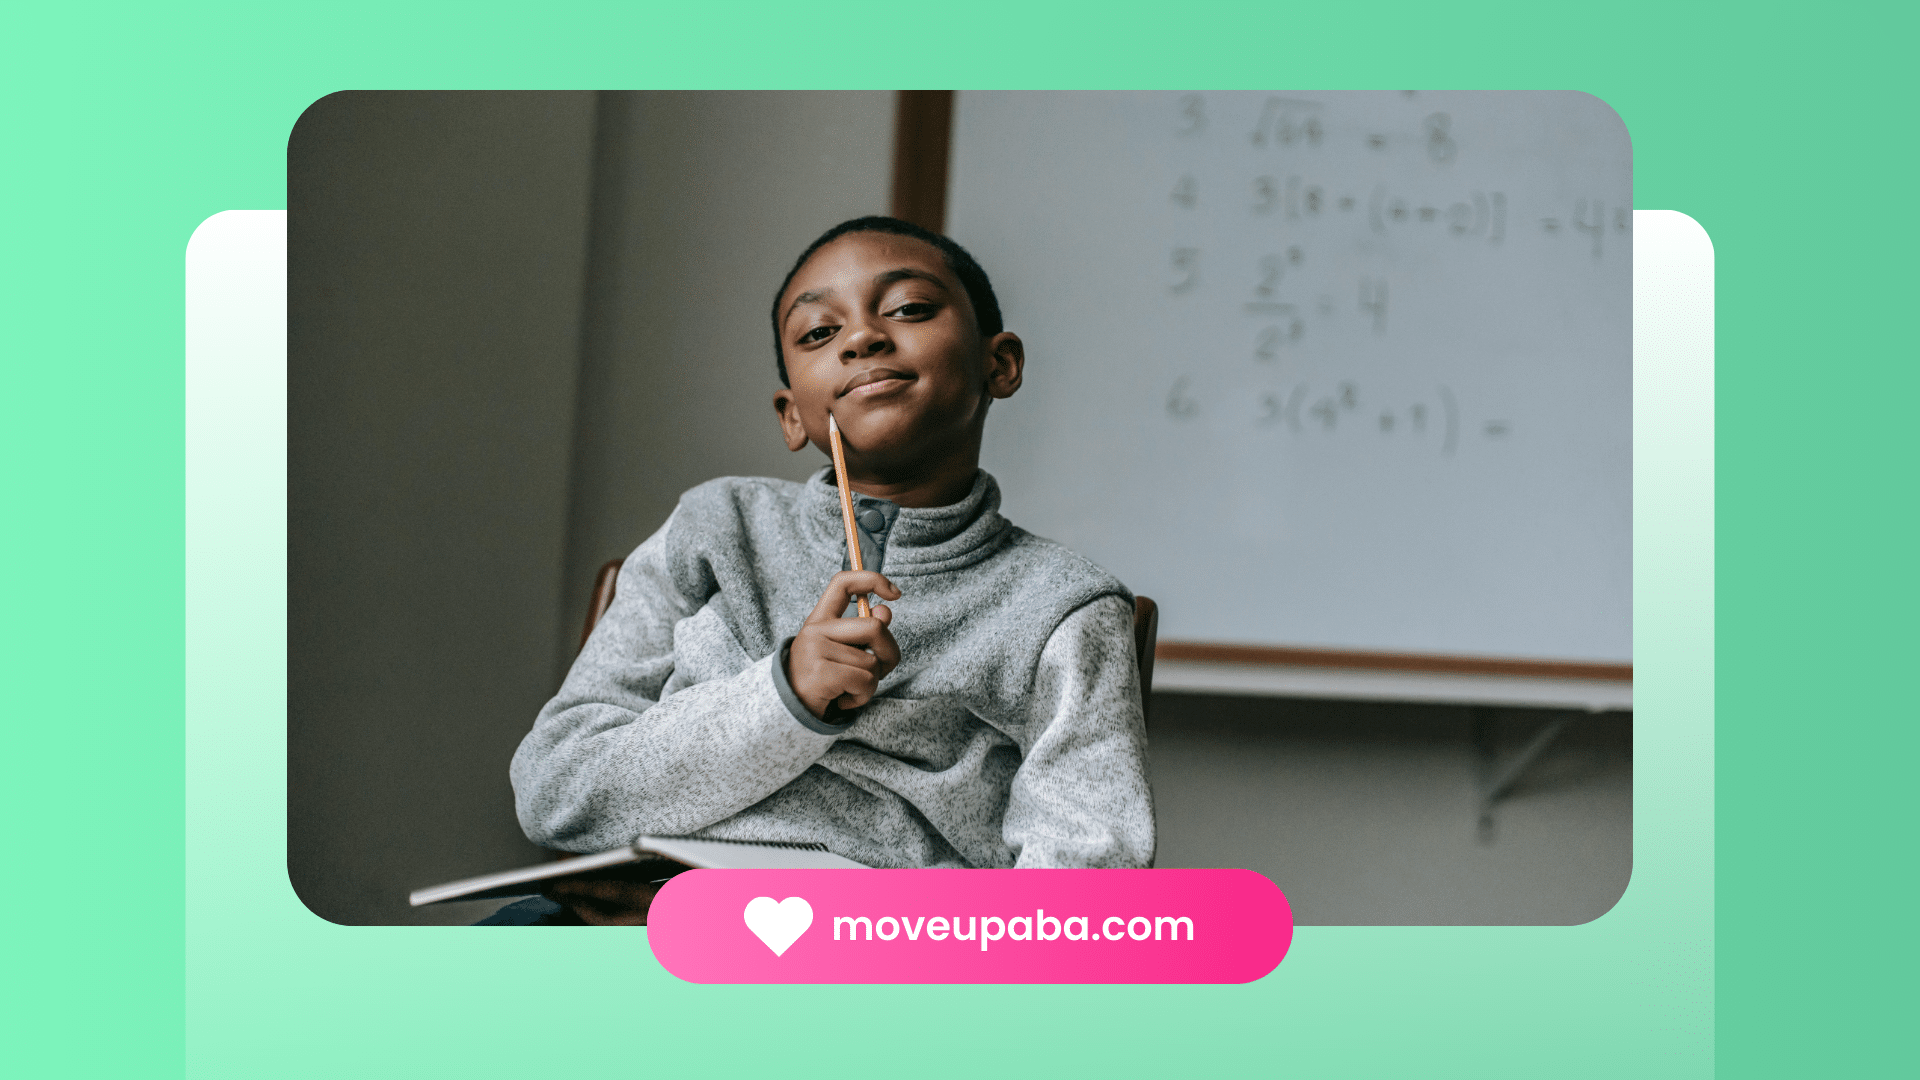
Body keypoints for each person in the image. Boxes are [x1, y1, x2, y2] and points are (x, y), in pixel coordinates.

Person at [502, 217, 1154, 923]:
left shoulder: (1065, 606)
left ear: (1000, 364)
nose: (862, 339)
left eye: (908, 309)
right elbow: (555, 792)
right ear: (791, 416)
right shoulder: (714, 529)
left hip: (878, 959)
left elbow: (1082, 885)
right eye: (818, 334)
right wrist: (784, 697)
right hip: (631, 917)